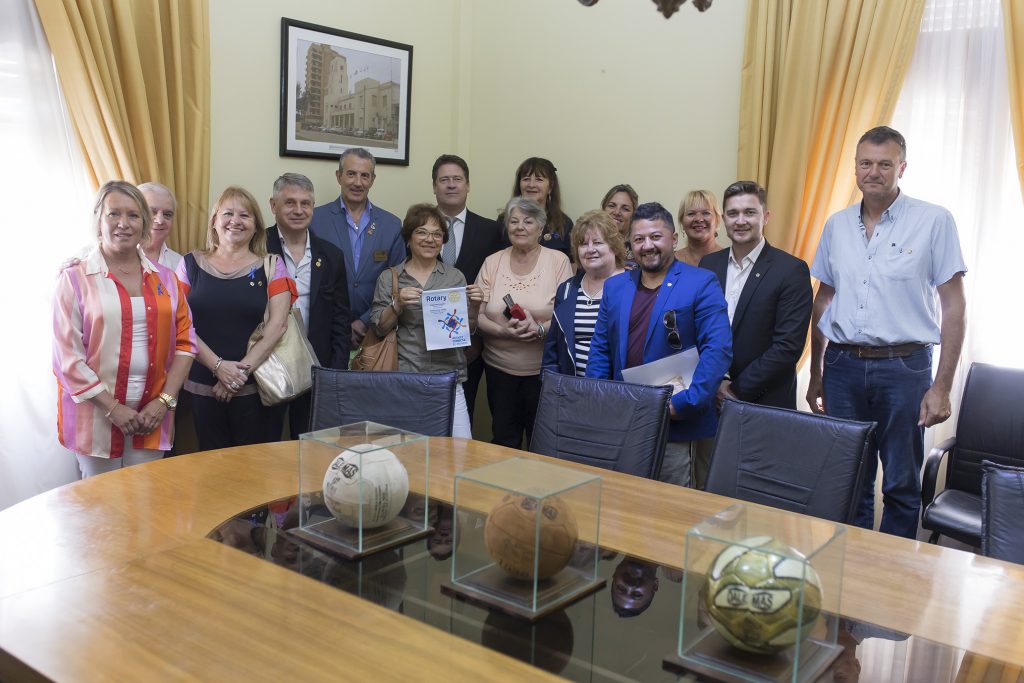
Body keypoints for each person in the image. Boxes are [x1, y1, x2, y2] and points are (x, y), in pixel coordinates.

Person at [807, 126, 966, 539]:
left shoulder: (934, 221)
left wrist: (942, 386)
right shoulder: (836, 225)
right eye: (865, 163)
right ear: (855, 168)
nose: (873, 172)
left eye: (884, 164)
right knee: (849, 479)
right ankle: (852, 575)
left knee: (900, 484)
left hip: (905, 370)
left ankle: (892, 583)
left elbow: (954, 306)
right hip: (841, 367)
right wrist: (815, 372)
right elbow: (823, 300)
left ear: (902, 167)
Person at [53, 181, 196, 477]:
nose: (123, 224)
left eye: (133, 215)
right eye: (113, 214)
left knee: (144, 506)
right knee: (101, 511)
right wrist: (112, 408)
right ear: (98, 220)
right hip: (96, 417)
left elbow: (186, 344)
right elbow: (67, 359)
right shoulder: (75, 278)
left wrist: (164, 402)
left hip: (152, 416)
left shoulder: (167, 280)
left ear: (144, 222)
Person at [587, 202, 732, 487]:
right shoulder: (616, 287)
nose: (647, 246)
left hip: (677, 422)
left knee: (672, 510)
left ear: (673, 239)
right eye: (639, 239)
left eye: (656, 236)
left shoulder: (700, 283)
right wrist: (601, 399)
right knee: (623, 501)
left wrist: (685, 403)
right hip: (625, 419)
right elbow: (601, 349)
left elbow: (718, 350)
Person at [176, 186, 297, 450]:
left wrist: (238, 375)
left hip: (255, 387)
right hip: (201, 385)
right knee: (209, 467)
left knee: (253, 473)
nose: (236, 221)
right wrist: (219, 367)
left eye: (245, 215)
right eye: (228, 213)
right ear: (214, 222)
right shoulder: (189, 264)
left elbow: (278, 326)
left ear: (256, 226)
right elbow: (180, 324)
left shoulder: (272, 265)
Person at [369, 204, 483, 438]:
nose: (430, 239)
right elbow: (379, 328)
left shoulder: (455, 276)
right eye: (422, 232)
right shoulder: (390, 277)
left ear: (443, 240)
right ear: (408, 239)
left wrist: (475, 307)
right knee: (409, 451)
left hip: (449, 377)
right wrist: (397, 304)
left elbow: (467, 330)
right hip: (405, 376)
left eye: (437, 234)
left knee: (461, 449)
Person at [700, 181, 812, 409]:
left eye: (749, 213)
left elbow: (787, 346)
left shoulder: (791, 270)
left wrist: (735, 389)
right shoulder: (709, 265)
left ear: (766, 216)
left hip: (764, 402)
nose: (740, 221)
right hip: (709, 396)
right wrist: (717, 382)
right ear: (723, 219)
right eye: (733, 213)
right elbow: (698, 329)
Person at [478, 197, 573, 448]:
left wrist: (540, 329)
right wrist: (502, 330)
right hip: (499, 370)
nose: (520, 226)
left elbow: (567, 317)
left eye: (528, 221)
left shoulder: (558, 261)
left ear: (540, 228)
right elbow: (476, 316)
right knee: (503, 439)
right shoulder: (492, 262)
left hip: (544, 372)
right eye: (514, 221)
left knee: (541, 442)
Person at [266, 173, 352, 437]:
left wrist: (334, 372)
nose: (298, 210)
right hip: (267, 365)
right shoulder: (256, 247)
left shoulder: (331, 255)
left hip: (316, 368)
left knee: (309, 448)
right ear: (273, 206)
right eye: (290, 202)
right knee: (264, 447)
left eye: (306, 203)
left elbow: (341, 320)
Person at [310, 148, 404, 351]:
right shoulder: (315, 220)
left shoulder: (391, 225)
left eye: (365, 176)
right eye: (351, 174)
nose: (357, 182)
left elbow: (398, 280)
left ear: (373, 180)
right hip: (326, 331)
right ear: (339, 176)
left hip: (375, 333)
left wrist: (365, 320)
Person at [431, 154, 503, 424]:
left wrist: (479, 336)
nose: (451, 185)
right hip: (425, 345)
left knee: (464, 414)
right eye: (444, 179)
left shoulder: (490, 230)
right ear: (435, 186)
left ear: (468, 185)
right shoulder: (419, 227)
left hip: (473, 344)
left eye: (457, 179)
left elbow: (497, 284)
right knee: (428, 417)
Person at [543, 210, 627, 376]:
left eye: (597, 242)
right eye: (583, 244)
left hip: (617, 392)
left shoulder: (631, 286)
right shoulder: (567, 290)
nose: (590, 249)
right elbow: (552, 349)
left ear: (614, 246)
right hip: (572, 391)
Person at [499, 157, 573, 259]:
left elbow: (572, 264)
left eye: (539, 179)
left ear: (550, 187)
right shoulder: (504, 220)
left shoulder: (564, 223)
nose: (531, 185)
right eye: (526, 179)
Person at [138, 182, 183, 270]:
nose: (160, 220)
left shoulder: (179, 264)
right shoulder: (113, 258)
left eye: (167, 214)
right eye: (151, 212)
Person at [674, 190, 724, 266]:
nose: (699, 219)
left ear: (717, 220)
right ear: (682, 221)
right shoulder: (671, 261)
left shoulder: (729, 261)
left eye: (706, 213)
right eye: (691, 214)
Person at [601, 183, 639, 269]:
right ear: (603, 210)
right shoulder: (590, 244)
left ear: (633, 215)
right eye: (611, 206)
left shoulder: (639, 248)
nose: (617, 212)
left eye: (625, 209)